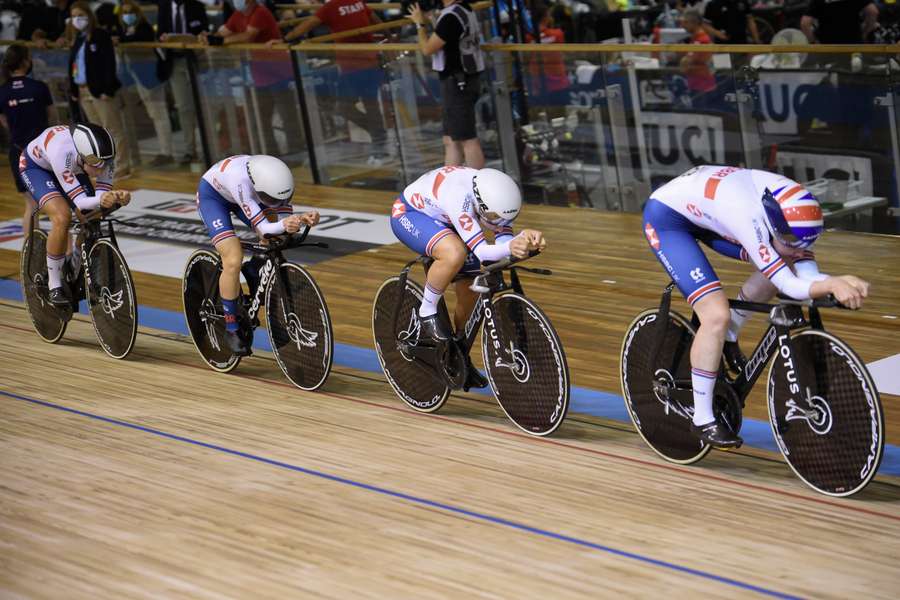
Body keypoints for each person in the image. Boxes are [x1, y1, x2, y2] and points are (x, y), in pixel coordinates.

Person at [642, 165, 870, 448]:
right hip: (669, 221)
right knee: (715, 316)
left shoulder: (792, 206)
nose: (798, 249)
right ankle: (702, 419)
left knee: (782, 259)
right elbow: (788, 284)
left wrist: (835, 280)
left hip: (709, 209)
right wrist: (832, 283)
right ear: (774, 225)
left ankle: (728, 337)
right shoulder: (746, 216)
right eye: (790, 241)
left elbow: (804, 272)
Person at [390, 165, 545, 388]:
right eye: (493, 217)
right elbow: (483, 252)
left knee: (471, 288)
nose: (498, 222)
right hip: (411, 214)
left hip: (448, 219)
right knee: (454, 254)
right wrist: (514, 243)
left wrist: (524, 242)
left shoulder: (495, 197)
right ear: (480, 205)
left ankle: (458, 352)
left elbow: (501, 241)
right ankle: (427, 310)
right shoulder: (459, 197)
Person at [196, 154, 320, 354]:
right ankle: (231, 327)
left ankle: (255, 268)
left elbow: (282, 218)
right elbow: (264, 228)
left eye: (280, 198)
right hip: (214, 198)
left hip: (249, 195)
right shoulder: (241, 181)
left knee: (277, 239)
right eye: (270, 199)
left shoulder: (276, 181)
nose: (275, 202)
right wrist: (283, 224)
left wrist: (301, 219)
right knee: (233, 259)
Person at [20, 122, 130, 305]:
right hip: (37, 168)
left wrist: (116, 196)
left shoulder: (103, 156)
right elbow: (79, 203)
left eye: (105, 164)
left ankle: (76, 262)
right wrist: (105, 199)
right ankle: (54, 285)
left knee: (92, 217)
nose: (101, 169)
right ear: (82, 155)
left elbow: (100, 198)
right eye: (96, 164)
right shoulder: (61, 152)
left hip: (74, 168)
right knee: (62, 217)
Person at [280, 0, 390, 164]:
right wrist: (389, 33)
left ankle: (379, 138)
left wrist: (284, 39)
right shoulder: (355, 2)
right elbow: (376, 19)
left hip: (355, 64)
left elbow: (307, 25)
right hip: (365, 61)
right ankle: (379, 136)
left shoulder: (331, 7)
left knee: (350, 106)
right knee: (367, 104)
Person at [201, 0, 300, 157]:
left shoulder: (260, 12)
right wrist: (209, 38)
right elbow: (223, 32)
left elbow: (248, 36)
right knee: (261, 118)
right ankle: (271, 154)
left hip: (279, 71)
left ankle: (297, 151)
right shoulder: (238, 15)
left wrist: (221, 41)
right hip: (259, 73)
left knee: (287, 115)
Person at [408, 0, 486, 169]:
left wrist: (420, 24)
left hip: (458, 81)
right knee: (451, 139)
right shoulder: (463, 9)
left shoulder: (451, 16)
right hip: (463, 79)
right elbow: (450, 38)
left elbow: (428, 48)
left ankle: (477, 186)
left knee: (467, 139)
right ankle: (450, 185)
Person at [65, 1, 133, 178]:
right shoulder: (78, 38)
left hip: (100, 91)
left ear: (89, 15)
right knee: (96, 133)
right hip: (83, 90)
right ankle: (104, 165)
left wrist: (107, 89)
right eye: (73, 16)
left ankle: (122, 165)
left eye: (80, 15)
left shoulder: (100, 35)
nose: (76, 19)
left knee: (112, 128)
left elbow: (108, 64)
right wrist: (73, 89)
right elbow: (74, 65)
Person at [0, 44, 56, 234]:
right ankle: (64, 256)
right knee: (58, 205)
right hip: (43, 152)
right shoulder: (39, 88)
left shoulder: (3, 91)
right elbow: (52, 117)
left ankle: (30, 255)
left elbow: (4, 122)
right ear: (25, 61)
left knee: (31, 206)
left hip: (18, 151)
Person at [118, 0, 175, 167]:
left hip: (152, 77)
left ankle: (167, 152)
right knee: (153, 114)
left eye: (131, 11)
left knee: (159, 114)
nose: (128, 15)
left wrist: (122, 39)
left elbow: (136, 39)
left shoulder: (145, 28)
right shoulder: (125, 30)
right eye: (125, 12)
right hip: (137, 76)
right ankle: (164, 151)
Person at [156, 0, 209, 165]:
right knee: (184, 107)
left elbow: (204, 32)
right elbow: (160, 33)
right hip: (175, 61)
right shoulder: (164, 6)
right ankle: (189, 150)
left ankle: (209, 149)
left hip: (196, 60)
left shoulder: (197, 6)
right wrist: (164, 38)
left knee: (204, 106)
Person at [678, 9, 715, 105]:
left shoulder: (702, 40)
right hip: (695, 85)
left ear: (694, 23)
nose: (683, 25)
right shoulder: (694, 39)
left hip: (702, 87)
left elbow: (686, 62)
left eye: (686, 22)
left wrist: (684, 61)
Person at [802, 0, 878, 44]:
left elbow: (805, 23)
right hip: (853, 43)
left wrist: (814, 43)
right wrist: (865, 32)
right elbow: (873, 11)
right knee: (855, 70)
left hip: (828, 46)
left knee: (829, 70)